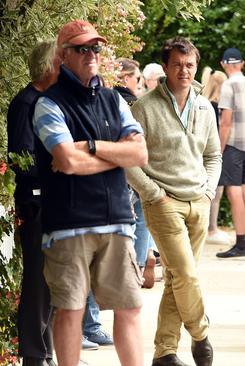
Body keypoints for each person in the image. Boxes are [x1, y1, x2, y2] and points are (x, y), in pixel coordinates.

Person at [32, 19, 147, 366]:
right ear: (63, 55)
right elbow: (66, 161)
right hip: (69, 225)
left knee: (129, 308)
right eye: (81, 49)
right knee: (70, 311)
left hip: (116, 221)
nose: (91, 54)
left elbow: (140, 154)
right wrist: (116, 155)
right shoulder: (48, 104)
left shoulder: (114, 100)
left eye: (95, 47)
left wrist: (93, 147)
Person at [126, 36, 221, 366]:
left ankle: (165, 352)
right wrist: (153, 195)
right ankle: (201, 336)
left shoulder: (204, 106)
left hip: (198, 201)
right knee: (187, 276)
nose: (184, 70)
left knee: (179, 280)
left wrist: (209, 190)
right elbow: (128, 161)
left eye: (190, 64)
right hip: (163, 202)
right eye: (178, 64)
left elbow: (213, 155)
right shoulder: (144, 108)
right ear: (165, 67)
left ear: (196, 67)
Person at [7, 40, 59, 366]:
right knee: (37, 281)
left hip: (50, 201)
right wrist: (60, 164)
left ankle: (45, 350)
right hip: (34, 202)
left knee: (50, 281)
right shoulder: (26, 103)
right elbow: (22, 158)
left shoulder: (45, 101)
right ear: (47, 67)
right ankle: (33, 355)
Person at [114, 57, 157, 289]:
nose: (139, 83)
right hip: (140, 170)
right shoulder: (139, 105)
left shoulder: (107, 102)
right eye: (138, 78)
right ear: (127, 78)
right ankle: (140, 264)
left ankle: (129, 269)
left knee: (126, 223)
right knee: (142, 218)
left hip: (118, 171)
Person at [215, 48, 245, 259]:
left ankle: (240, 243)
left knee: (234, 192)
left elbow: (226, 122)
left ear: (224, 64)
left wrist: (219, 148)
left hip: (233, 144)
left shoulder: (228, 86)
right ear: (241, 64)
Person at [201, 67, 232, 245]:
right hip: (212, 155)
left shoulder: (208, 105)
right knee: (214, 191)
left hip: (209, 155)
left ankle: (211, 228)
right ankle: (210, 229)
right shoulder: (212, 107)